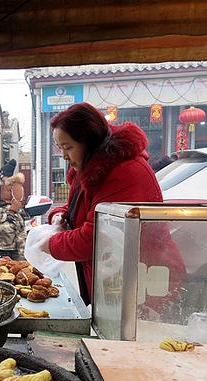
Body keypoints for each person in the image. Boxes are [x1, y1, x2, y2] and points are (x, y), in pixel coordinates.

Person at [43, 102, 166, 305]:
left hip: (138, 286)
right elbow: (81, 206)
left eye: (68, 147)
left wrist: (47, 244)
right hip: (109, 280)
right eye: (60, 148)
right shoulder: (89, 167)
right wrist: (59, 215)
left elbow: (95, 239)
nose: (64, 156)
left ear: (88, 142)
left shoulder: (123, 173)